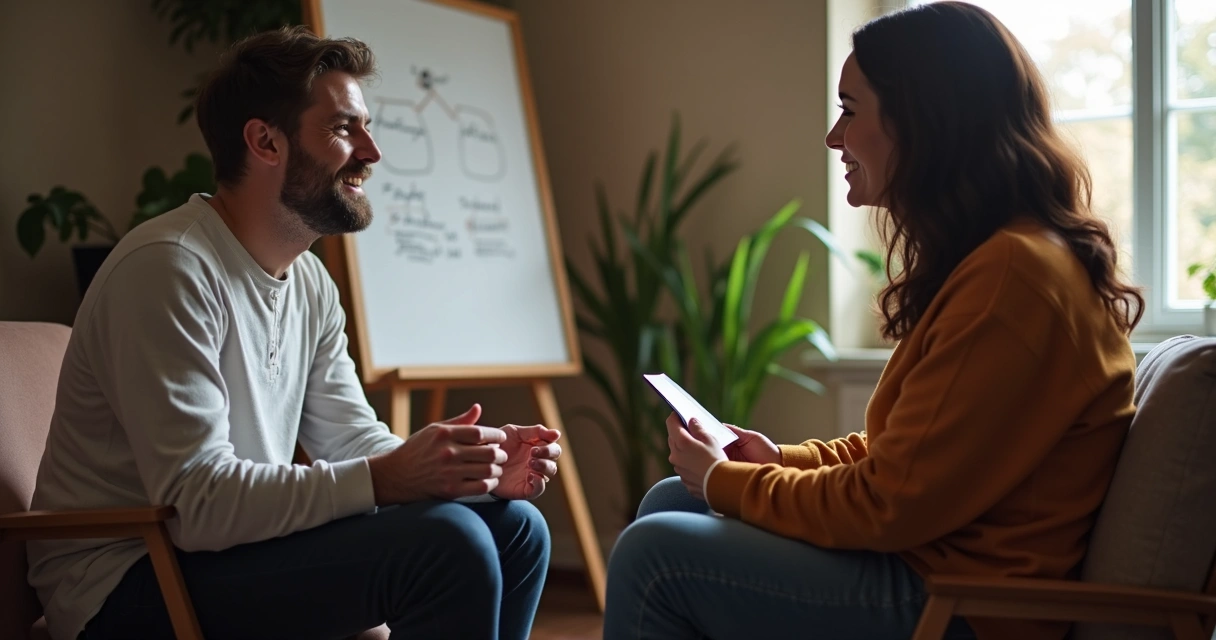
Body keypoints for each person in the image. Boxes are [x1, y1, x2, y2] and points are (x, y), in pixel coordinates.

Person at [602, 3, 1144, 640]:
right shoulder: (1003, 259)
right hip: (930, 563)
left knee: (656, 554)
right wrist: (778, 459)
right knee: (674, 500)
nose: (834, 138)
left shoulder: (1012, 277)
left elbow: (890, 502)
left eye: (850, 110)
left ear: (923, 123)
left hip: (962, 605)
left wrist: (730, 480)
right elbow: (910, 456)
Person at [27, 25, 561, 640]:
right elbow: (197, 504)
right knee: (451, 541)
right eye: (343, 128)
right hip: (127, 580)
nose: (372, 151)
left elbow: (350, 438)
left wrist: (470, 467)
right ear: (265, 142)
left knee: (515, 526)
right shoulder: (168, 268)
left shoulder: (308, 281)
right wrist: (391, 479)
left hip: (224, 552)